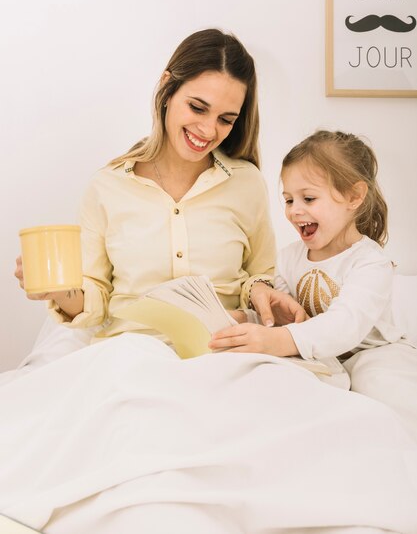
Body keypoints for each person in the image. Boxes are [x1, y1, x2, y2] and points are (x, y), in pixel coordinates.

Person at [14, 28, 304, 346]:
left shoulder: (246, 182)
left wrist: (261, 291)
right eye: (197, 107)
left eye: (226, 119)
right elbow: (93, 303)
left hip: (221, 351)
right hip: (132, 351)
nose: (208, 130)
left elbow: (257, 275)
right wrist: (58, 289)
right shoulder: (107, 187)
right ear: (167, 86)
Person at [210, 130, 417, 438]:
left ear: (354, 196)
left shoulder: (370, 263)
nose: (294, 210)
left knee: (382, 388)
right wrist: (245, 319)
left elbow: (344, 325)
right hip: (317, 355)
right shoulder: (289, 257)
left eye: (308, 198)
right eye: (289, 199)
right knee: (281, 391)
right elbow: (282, 317)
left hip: (372, 351)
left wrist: (278, 340)